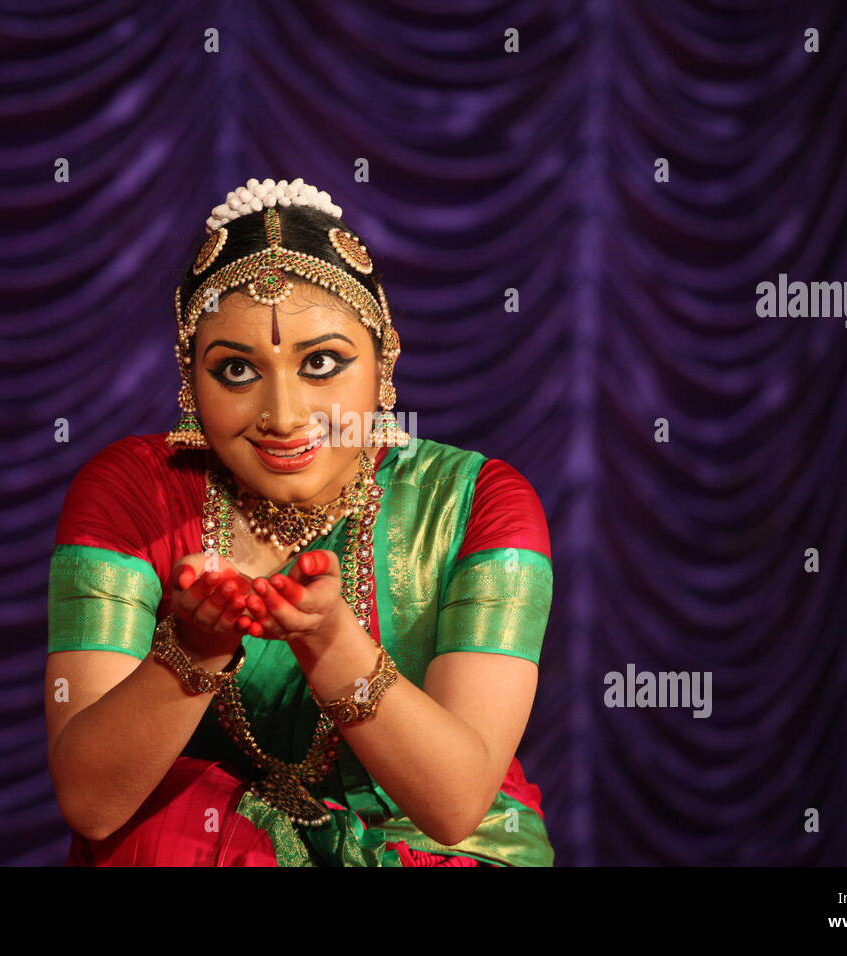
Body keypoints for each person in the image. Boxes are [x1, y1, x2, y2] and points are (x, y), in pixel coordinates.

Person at [44, 178, 555, 866]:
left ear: (385, 360)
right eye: (234, 371)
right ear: (189, 379)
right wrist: (194, 649)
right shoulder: (135, 493)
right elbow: (91, 803)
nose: (284, 415)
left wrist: (329, 639)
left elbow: (455, 805)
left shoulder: (475, 505)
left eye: (322, 363)